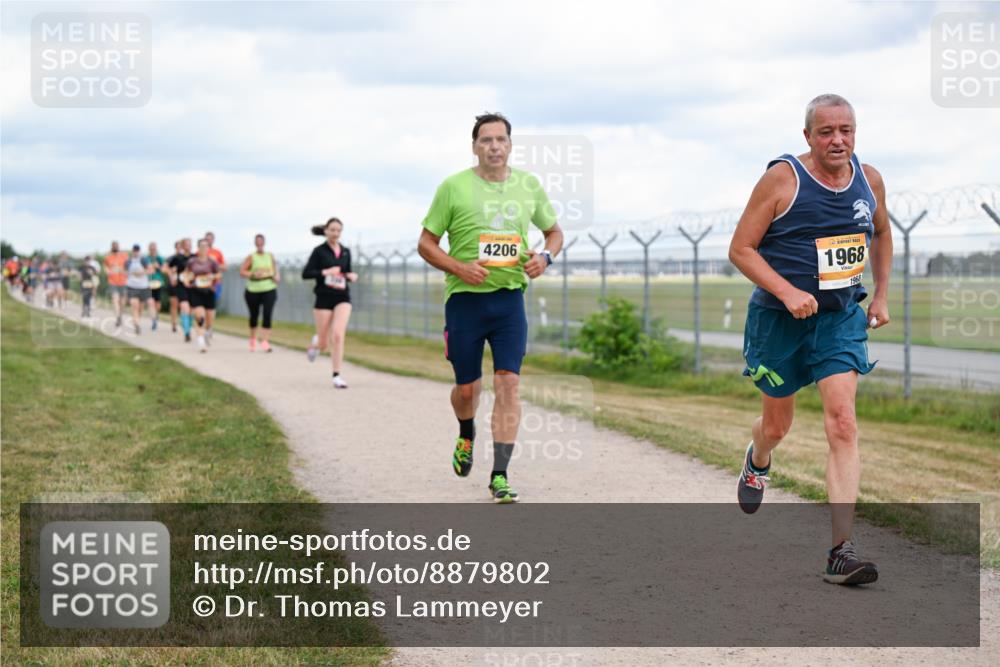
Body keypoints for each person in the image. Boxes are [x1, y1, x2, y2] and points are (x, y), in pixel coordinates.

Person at [728, 94, 892, 585]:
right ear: (808, 137)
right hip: (779, 322)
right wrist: (787, 290)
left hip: (839, 317)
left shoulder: (871, 179)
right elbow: (741, 248)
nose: (838, 140)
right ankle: (759, 459)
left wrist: (881, 294)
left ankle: (841, 551)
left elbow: (881, 233)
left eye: (846, 130)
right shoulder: (783, 180)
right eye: (826, 132)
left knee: (843, 421)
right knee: (777, 426)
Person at [417, 112, 564, 504]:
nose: (494, 146)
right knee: (468, 390)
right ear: (475, 146)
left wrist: (545, 259)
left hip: (509, 301)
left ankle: (500, 474)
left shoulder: (528, 185)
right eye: (486, 140)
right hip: (464, 302)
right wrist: (459, 267)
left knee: (509, 384)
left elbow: (554, 233)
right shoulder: (453, 187)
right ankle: (466, 432)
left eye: (501, 139)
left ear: (510, 145)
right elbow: (426, 243)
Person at [302, 218, 358, 386]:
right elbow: (306, 274)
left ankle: (336, 375)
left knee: (338, 335)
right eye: (332, 230)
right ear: (326, 231)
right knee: (324, 343)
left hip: (342, 297)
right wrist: (325, 272)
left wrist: (351, 276)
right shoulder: (319, 251)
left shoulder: (346, 251)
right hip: (323, 297)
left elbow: (347, 271)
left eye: (338, 230)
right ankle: (316, 345)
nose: (335, 233)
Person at [239, 233, 280, 352]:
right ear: (255, 243)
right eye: (257, 242)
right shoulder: (251, 257)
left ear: (264, 242)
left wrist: (276, 276)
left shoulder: (270, 255)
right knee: (254, 315)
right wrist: (252, 274)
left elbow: (275, 269)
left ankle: (265, 341)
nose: (260, 244)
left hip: (269, 288)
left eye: (261, 241)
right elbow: (242, 271)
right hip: (253, 290)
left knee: (267, 314)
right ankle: (252, 338)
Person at [186, 238, 221, 353]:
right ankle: (200, 341)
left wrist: (213, 277)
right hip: (196, 291)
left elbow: (219, 275)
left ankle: (207, 331)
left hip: (209, 291)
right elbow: (186, 274)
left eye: (206, 246)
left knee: (210, 319)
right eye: (201, 246)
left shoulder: (212, 262)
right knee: (200, 316)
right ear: (198, 248)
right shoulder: (192, 262)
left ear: (208, 249)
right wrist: (188, 280)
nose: (203, 249)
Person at [125, 244, 155, 335]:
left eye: (137, 250)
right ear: (132, 251)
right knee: (135, 306)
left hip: (143, 287)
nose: (136, 252)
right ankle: (137, 325)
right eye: (134, 250)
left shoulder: (143, 260)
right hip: (132, 286)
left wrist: (142, 273)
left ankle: (138, 320)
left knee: (140, 308)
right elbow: (125, 272)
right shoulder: (128, 261)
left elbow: (151, 270)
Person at [169, 238, 194, 341]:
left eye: (190, 244)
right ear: (183, 246)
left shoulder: (194, 257)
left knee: (191, 311)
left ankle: (186, 323)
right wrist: (172, 278)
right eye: (186, 244)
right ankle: (187, 332)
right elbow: (168, 268)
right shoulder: (177, 258)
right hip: (181, 286)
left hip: (192, 286)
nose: (188, 246)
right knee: (184, 307)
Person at [103, 241, 129, 327]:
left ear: (118, 247)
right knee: (115, 299)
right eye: (113, 246)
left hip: (123, 281)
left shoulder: (124, 256)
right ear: (111, 247)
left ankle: (120, 316)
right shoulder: (108, 257)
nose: (115, 247)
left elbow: (128, 268)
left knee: (122, 302)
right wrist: (108, 271)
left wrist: (122, 270)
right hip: (112, 281)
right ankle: (118, 317)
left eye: (116, 246)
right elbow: (105, 267)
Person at [146, 242, 166, 330]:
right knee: (150, 302)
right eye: (151, 248)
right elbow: (143, 268)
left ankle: (156, 315)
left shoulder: (160, 258)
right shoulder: (146, 258)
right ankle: (153, 320)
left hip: (158, 282)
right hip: (148, 283)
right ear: (149, 249)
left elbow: (165, 270)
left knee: (157, 304)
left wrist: (158, 267)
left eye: (154, 248)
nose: (153, 249)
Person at [165, 241, 183, 333]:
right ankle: (174, 324)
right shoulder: (171, 258)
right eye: (178, 247)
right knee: (174, 304)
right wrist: (171, 273)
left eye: (181, 247)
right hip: (173, 284)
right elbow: (164, 268)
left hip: (183, 284)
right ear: (175, 248)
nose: (179, 249)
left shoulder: (185, 258)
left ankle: (185, 323)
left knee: (183, 305)